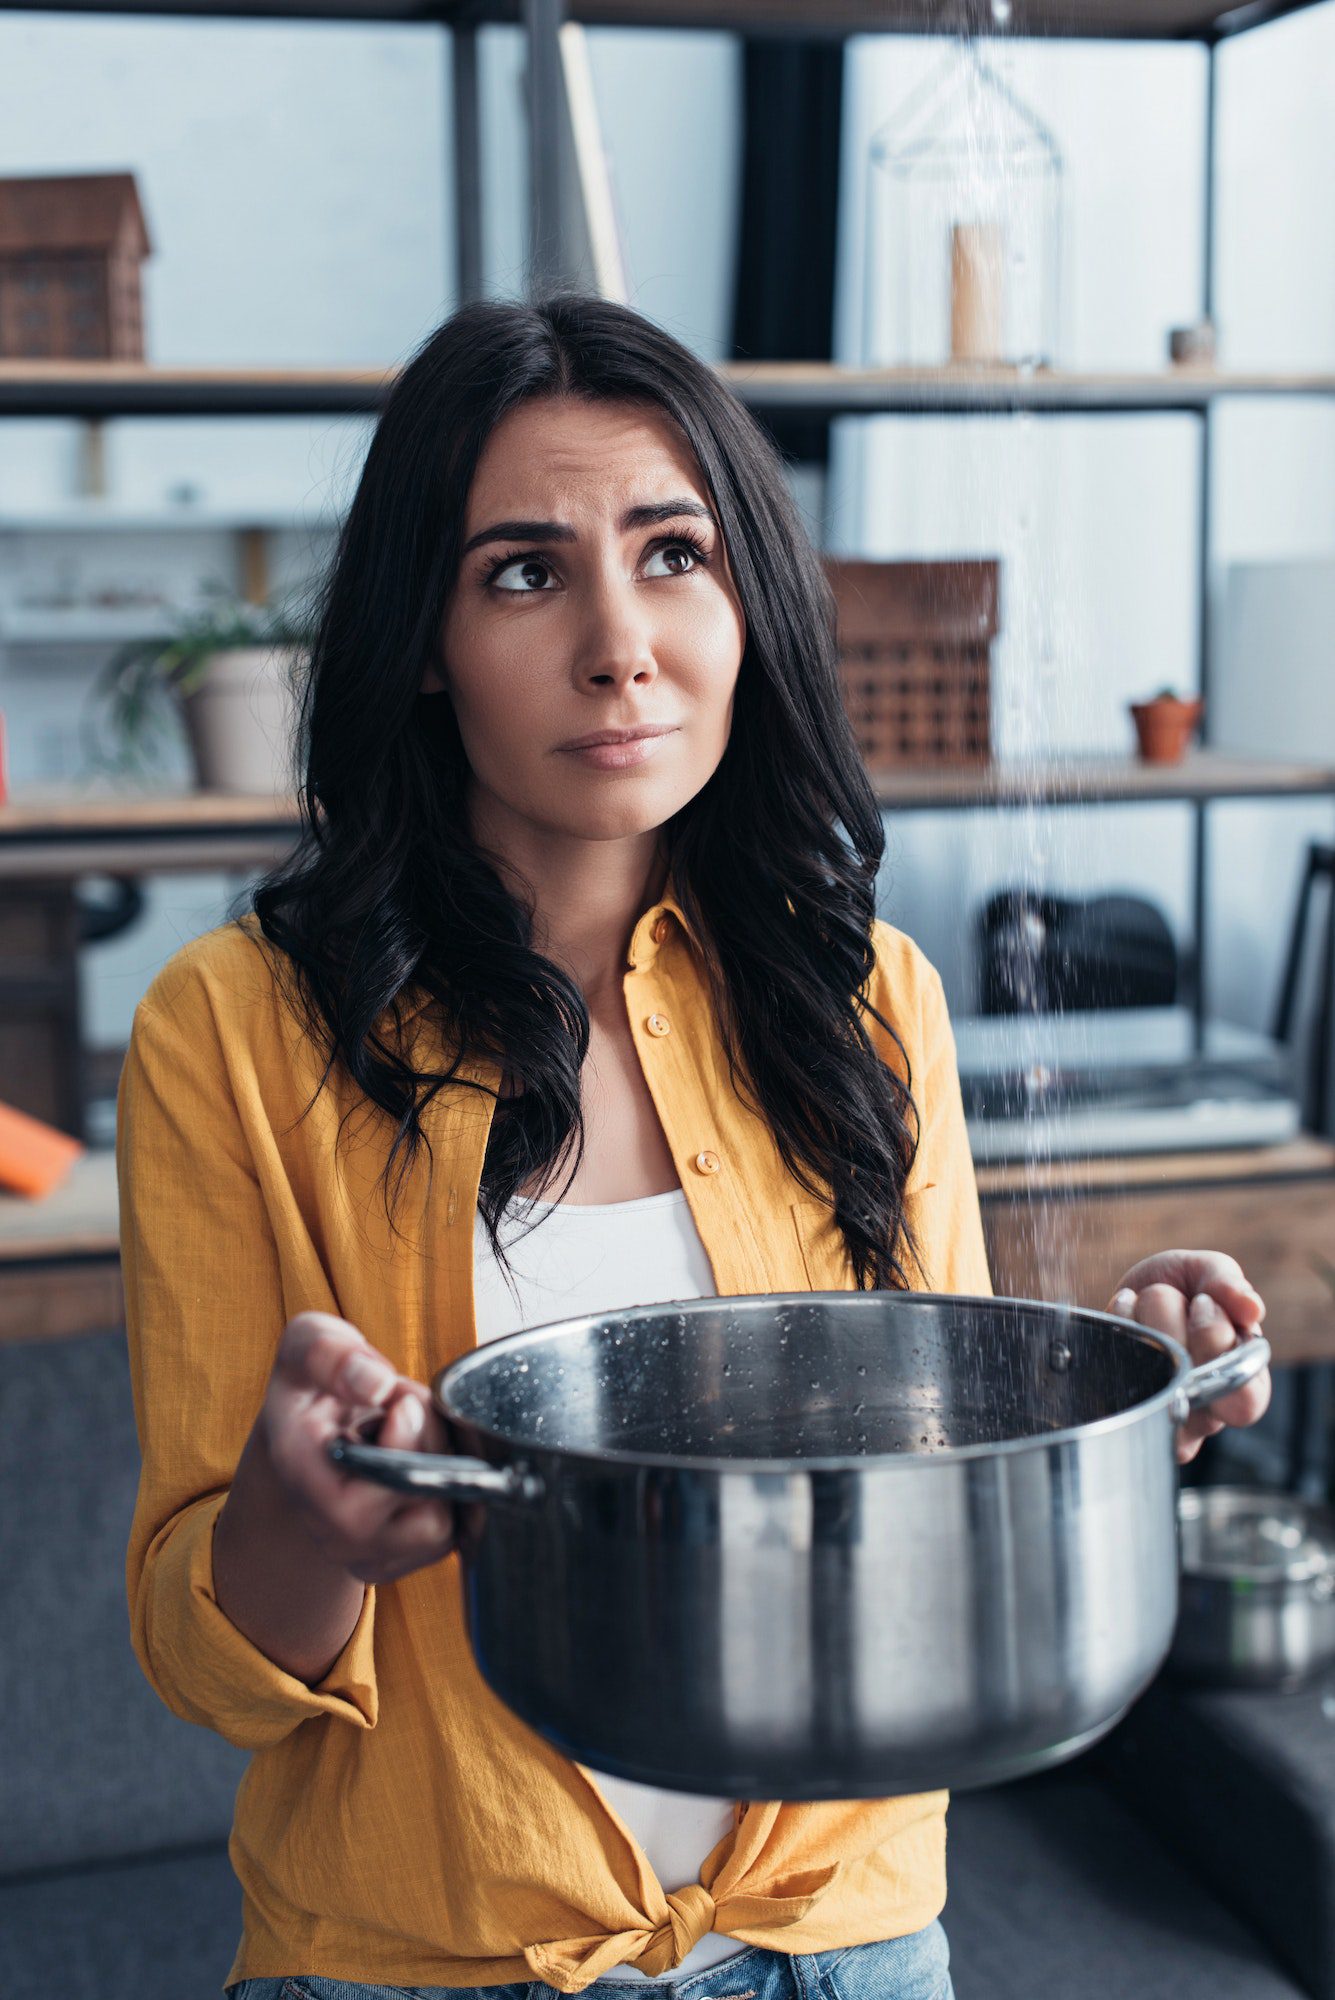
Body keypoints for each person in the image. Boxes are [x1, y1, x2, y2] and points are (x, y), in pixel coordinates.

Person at [119, 294, 1271, 2000]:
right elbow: (204, 1667)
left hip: (854, 1945)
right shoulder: (228, 1033)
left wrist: (1123, 1394)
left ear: (751, 601)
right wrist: (308, 1531)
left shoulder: (869, 996)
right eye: (524, 571)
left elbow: (946, 1473)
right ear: (423, 635)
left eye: (675, 554)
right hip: (421, 1964)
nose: (620, 644)